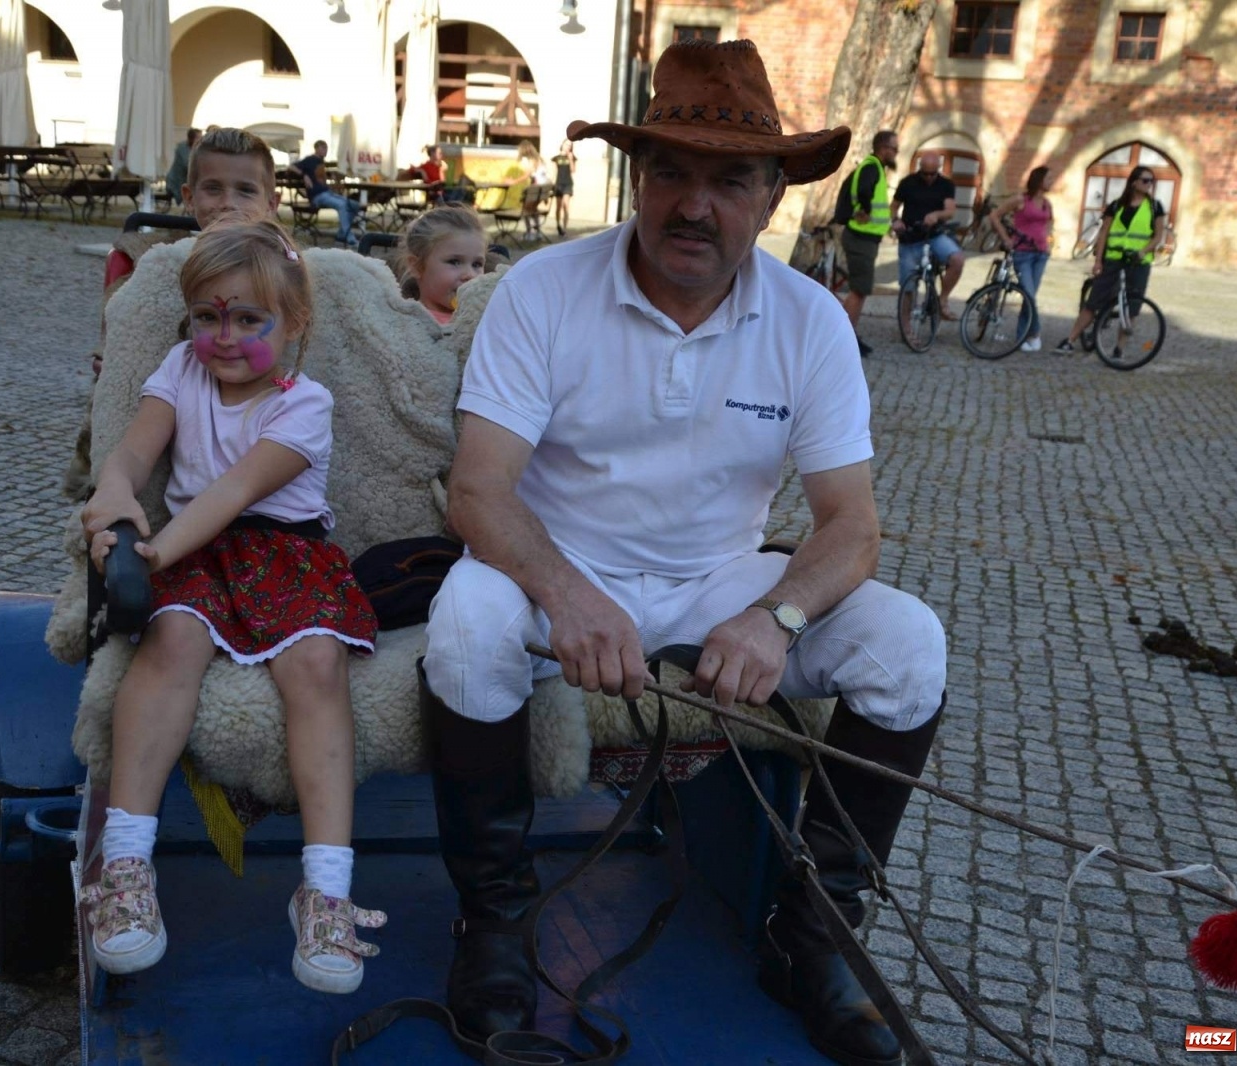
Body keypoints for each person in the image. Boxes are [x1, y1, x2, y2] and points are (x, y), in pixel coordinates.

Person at [422, 38, 946, 1065]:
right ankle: (492, 923)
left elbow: (851, 525)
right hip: (558, 569)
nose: (693, 205)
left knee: (908, 644)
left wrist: (775, 616)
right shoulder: (544, 289)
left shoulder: (808, 320)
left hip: (721, 583)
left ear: (771, 197)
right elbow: (477, 490)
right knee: (466, 620)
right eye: (670, 171)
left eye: (729, 180)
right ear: (637, 176)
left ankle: (809, 940)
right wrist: (566, 594)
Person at [79, 220, 385, 992]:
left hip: (277, 548)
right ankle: (124, 869)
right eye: (210, 316)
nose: (225, 336)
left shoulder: (306, 403)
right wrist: (112, 489)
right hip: (196, 551)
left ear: (294, 325)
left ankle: (326, 889)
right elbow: (135, 448)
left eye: (251, 320)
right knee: (171, 639)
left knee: (317, 662)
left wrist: (154, 554)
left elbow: (234, 491)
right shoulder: (181, 369)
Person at [65, 127, 284, 501]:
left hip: (269, 432)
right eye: (213, 188)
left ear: (272, 202)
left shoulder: (294, 271)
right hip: (167, 430)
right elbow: (124, 337)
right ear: (188, 196)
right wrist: (114, 363)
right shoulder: (146, 267)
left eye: (245, 190)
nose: (228, 202)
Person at [1055, 164, 1167, 353]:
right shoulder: (1116, 206)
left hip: (1138, 263)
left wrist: (1143, 251)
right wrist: (1098, 261)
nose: (1149, 184)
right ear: (1134, 182)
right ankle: (1070, 339)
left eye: (1151, 181)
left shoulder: (1155, 207)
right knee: (1093, 302)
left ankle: (1118, 349)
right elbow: (1104, 233)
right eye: (1145, 180)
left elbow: (1158, 236)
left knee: (1131, 307)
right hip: (1113, 259)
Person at [836, 129, 899, 357]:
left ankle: (845, 333)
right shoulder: (872, 166)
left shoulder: (874, 167)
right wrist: (863, 210)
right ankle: (844, 337)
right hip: (861, 237)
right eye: (894, 148)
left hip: (866, 238)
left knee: (859, 289)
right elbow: (863, 190)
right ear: (883, 147)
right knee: (859, 290)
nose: (896, 152)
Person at [891, 151, 966, 322]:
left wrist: (937, 215)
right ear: (920, 169)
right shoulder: (907, 183)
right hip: (909, 238)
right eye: (925, 173)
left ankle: (943, 299)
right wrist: (895, 221)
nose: (929, 177)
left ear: (938, 169)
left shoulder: (946, 184)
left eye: (933, 173)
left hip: (934, 236)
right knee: (908, 286)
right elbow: (894, 207)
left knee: (957, 259)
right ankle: (906, 326)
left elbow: (950, 211)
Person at [991, 165, 1055, 351]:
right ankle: (1035, 333)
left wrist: (1048, 239)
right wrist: (1006, 238)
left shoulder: (1047, 203)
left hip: (1040, 254)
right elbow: (994, 216)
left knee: (1031, 296)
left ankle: (1021, 336)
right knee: (1028, 293)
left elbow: (1050, 221)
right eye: (1048, 178)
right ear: (1039, 180)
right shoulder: (1021, 200)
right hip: (1023, 253)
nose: (1051, 182)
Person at [398, 205, 487, 327]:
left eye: (477, 264)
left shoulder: (486, 319)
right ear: (416, 266)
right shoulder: (405, 324)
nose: (470, 275)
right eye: (454, 262)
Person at [291, 138, 365, 247]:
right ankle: (350, 239)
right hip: (317, 196)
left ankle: (341, 235)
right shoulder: (310, 159)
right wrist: (304, 175)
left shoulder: (321, 161)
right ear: (316, 149)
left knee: (355, 205)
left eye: (326, 148)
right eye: (323, 148)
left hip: (327, 193)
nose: (325, 151)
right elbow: (291, 166)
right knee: (342, 205)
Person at [165, 127, 200, 206]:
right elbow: (187, 165)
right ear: (192, 138)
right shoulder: (183, 148)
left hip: (183, 181)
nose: (200, 140)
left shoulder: (193, 149)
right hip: (175, 182)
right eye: (198, 137)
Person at [550, 138, 576, 236]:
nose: (568, 147)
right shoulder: (556, 158)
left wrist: (570, 159)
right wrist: (552, 185)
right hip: (559, 184)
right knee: (558, 207)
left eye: (570, 146)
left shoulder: (572, 157)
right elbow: (554, 172)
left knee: (566, 206)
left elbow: (573, 170)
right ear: (562, 145)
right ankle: (558, 225)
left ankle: (564, 229)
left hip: (568, 183)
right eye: (566, 144)